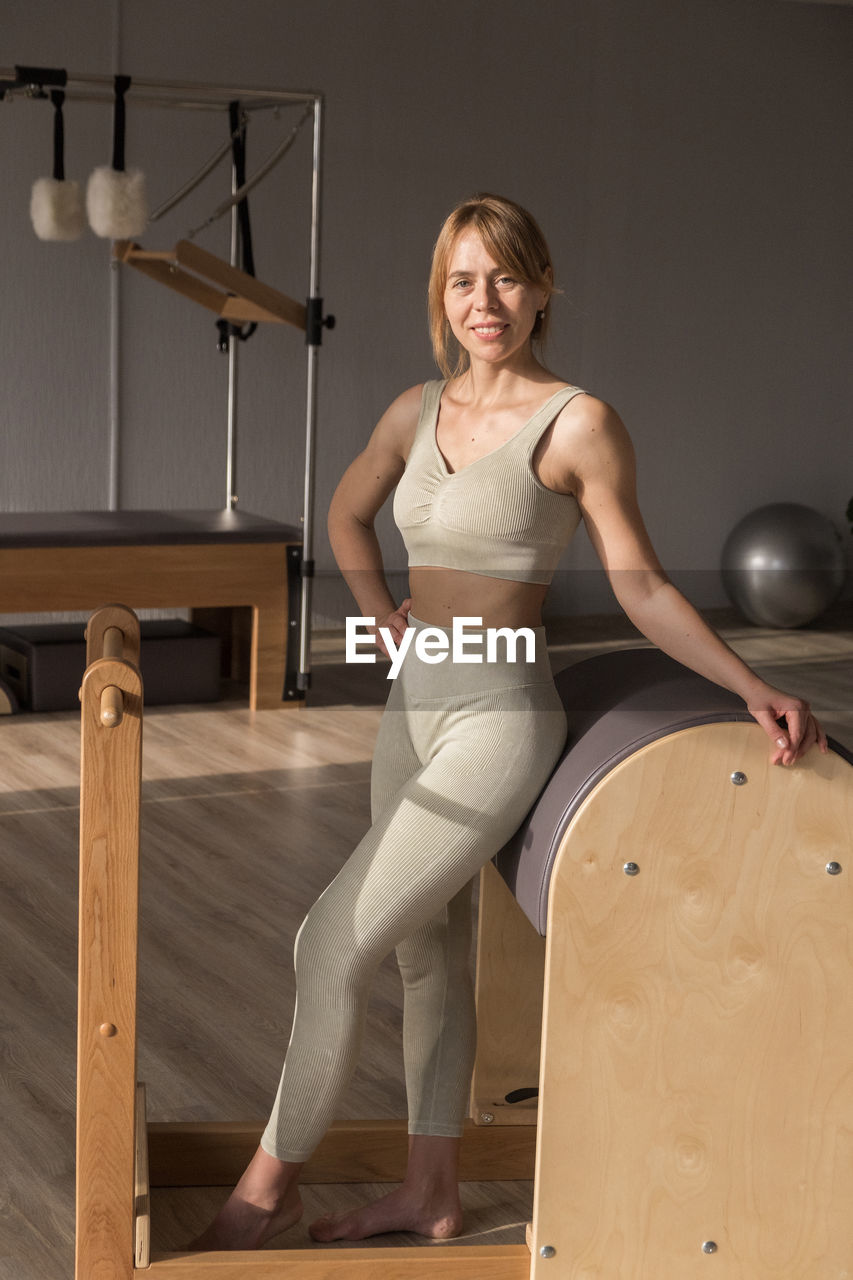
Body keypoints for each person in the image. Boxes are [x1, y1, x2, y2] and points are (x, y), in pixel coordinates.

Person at [192, 193, 826, 1252]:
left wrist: (746, 682)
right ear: (439, 296)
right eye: (461, 280)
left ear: (541, 289)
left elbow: (643, 584)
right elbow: (346, 514)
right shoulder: (413, 410)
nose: (484, 300)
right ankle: (429, 1193)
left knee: (326, 943)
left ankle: (265, 1192)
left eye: (505, 277)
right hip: (413, 706)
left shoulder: (576, 421)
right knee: (421, 959)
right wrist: (383, 616)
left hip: (496, 717)